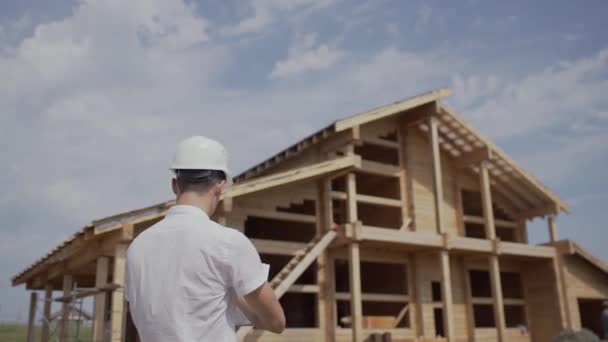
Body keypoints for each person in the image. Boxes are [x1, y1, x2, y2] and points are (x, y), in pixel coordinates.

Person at [125, 136, 285, 342]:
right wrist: (234, 293)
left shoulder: (138, 247)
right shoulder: (228, 243)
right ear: (220, 186)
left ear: (175, 184)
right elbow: (276, 322)